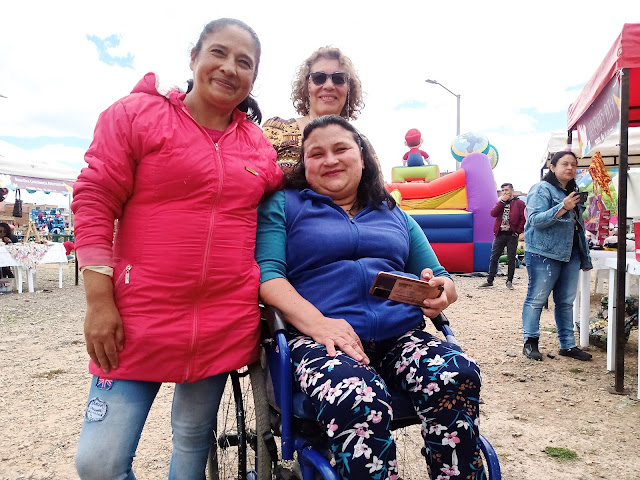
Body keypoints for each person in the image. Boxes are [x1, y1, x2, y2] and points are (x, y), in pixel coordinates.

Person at [71, 18, 283, 479]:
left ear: (253, 77)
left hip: (223, 322)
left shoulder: (258, 148)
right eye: (218, 53)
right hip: (135, 319)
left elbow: (288, 205)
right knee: (98, 464)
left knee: (191, 445)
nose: (229, 68)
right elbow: (94, 198)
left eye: (244, 62)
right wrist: (98, 300)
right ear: (193, 58)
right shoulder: (135, 116)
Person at [256, 115, 485, 480]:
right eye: (316, 153)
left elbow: (441, 277)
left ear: (362, 157)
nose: (329, 159)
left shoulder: (395, 213)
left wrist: (441, 292)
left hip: (401, 335)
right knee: (356, 395)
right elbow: (268, 276)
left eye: (341, 149)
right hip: (321, 337)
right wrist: (320, 324)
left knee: (457, 372)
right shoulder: (283, 205)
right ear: (305, 164)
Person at [521, 150, 592, 361]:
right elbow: (535, 220)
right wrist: (562, 207)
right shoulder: (541, 189)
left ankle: (567, 345)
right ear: (552, 167)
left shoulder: (572, 191)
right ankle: (530, 342)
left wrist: (584, 256)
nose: (570, 168)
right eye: (565, 164)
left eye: (573, 165)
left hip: (571, 253)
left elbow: (577, 226)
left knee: (566, 301)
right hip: (543, 253)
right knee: (536, 299)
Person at [262, 46, 367, 173]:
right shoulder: (277, 130)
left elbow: (375, 190)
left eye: (338, 79)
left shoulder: (362, 143)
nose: (329, 85)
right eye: (319, 78)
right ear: (307, 87)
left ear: (349, 88)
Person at [478, 183, 526, 290]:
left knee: (511, 259)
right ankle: (490, 281)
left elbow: (523, 218)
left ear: (512, 190)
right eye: (503, 190)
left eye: (507, 190)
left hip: (512, 234)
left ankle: (509, 281)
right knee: (494, 257)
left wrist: (518, 231)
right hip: (500, 234)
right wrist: (502, 201)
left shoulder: (520, 203)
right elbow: (493, 213)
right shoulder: (501, 202)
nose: (505, 192)